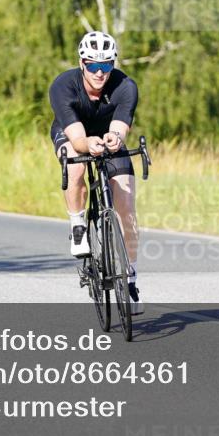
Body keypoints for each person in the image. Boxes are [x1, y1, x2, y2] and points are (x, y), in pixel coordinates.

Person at [49, 31, 143, 315]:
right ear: (82, 63)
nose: (100, 73)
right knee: (76, 163)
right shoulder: (63, 86)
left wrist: (115, 139)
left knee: (126, 204)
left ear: (113, 64)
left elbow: (120, 129)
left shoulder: (125, 86)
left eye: (106, 65)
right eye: (93, 65)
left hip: (106, 135)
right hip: (73, 133)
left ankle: (130, 277)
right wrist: (86, 143)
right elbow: (78, 140)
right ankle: (78, 225)